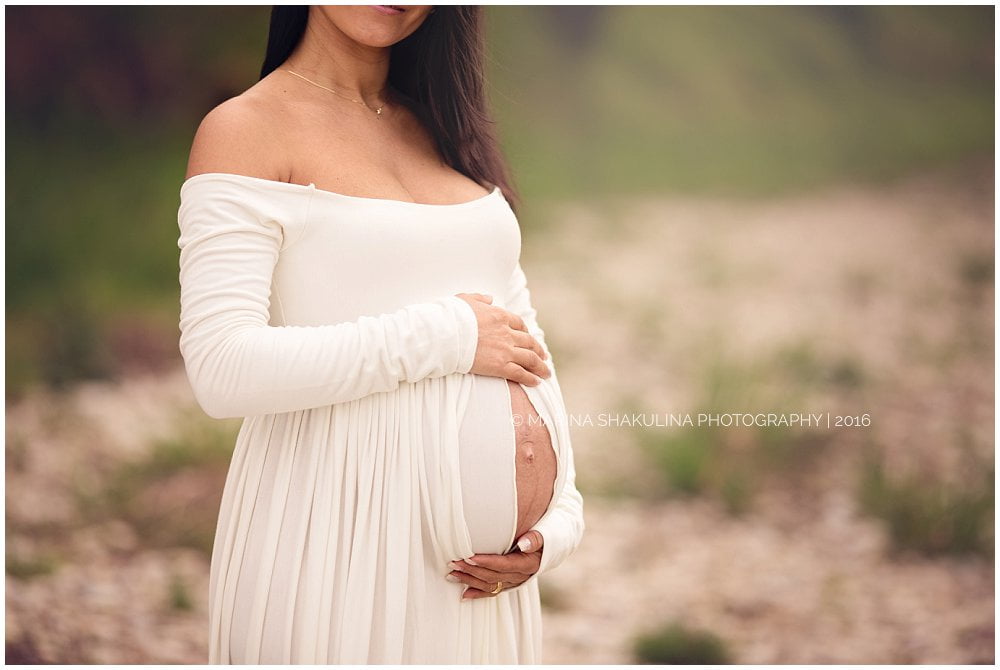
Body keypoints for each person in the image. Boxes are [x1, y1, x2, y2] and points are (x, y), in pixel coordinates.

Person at [176, 5, 584, 664]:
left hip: (486, 589)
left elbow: (522, 343)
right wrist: (444, 334)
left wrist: (561, 512)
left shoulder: (448, 126)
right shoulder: (245, 130)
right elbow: (221, 368)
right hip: (337, 548)